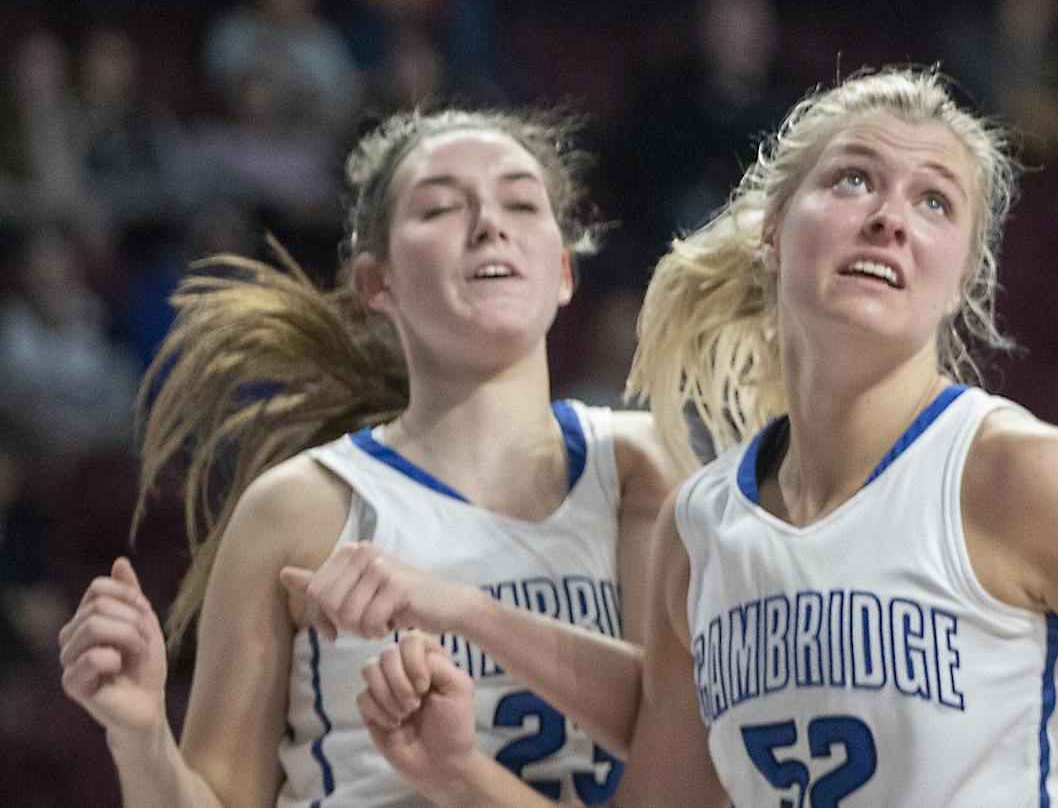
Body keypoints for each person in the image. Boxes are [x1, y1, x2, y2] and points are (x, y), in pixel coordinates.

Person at [349, 67, 1058, 807]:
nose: (889, 214)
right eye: (854, 179)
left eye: (934, 202)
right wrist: (457, 772)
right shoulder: (700, 528)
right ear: (771, 232)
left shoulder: (1021, 480)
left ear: (963, 277)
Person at [54, 107, 677, 807]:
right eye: (441, 205)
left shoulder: (639, 466)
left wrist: (465, 616)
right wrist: (139, 737)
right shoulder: (298, 506)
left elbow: (684, 745)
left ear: (564, 271)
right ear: (376, 282)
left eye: (522, 201)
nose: (488, 222)